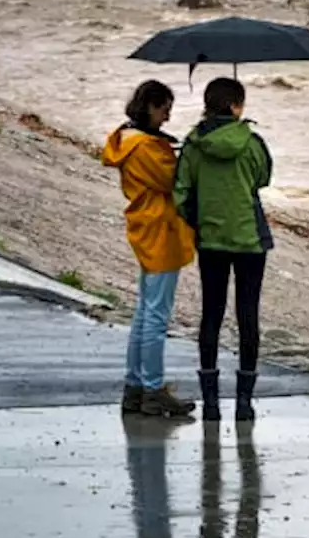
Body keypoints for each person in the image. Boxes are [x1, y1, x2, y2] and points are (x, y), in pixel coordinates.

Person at [174, 77, 273, 423]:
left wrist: (200, 223)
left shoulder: (193, 144)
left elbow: (181, 192)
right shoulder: (252, 142)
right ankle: (244, 402)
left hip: (211, 240)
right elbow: (263, 178)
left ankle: (211, 402)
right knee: (248, 314)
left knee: (211, 314)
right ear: (235, 107)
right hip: (249, 240)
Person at [103, 80, 197, 418]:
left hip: (146, 227)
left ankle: (136, 386)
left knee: (145, 312)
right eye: (164, 109)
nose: (168, 117)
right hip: (162, 230)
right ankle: (153, 389)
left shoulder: (128, 141)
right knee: (156, 315)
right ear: (149, 107)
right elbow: (176, 181)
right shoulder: (147, 148)